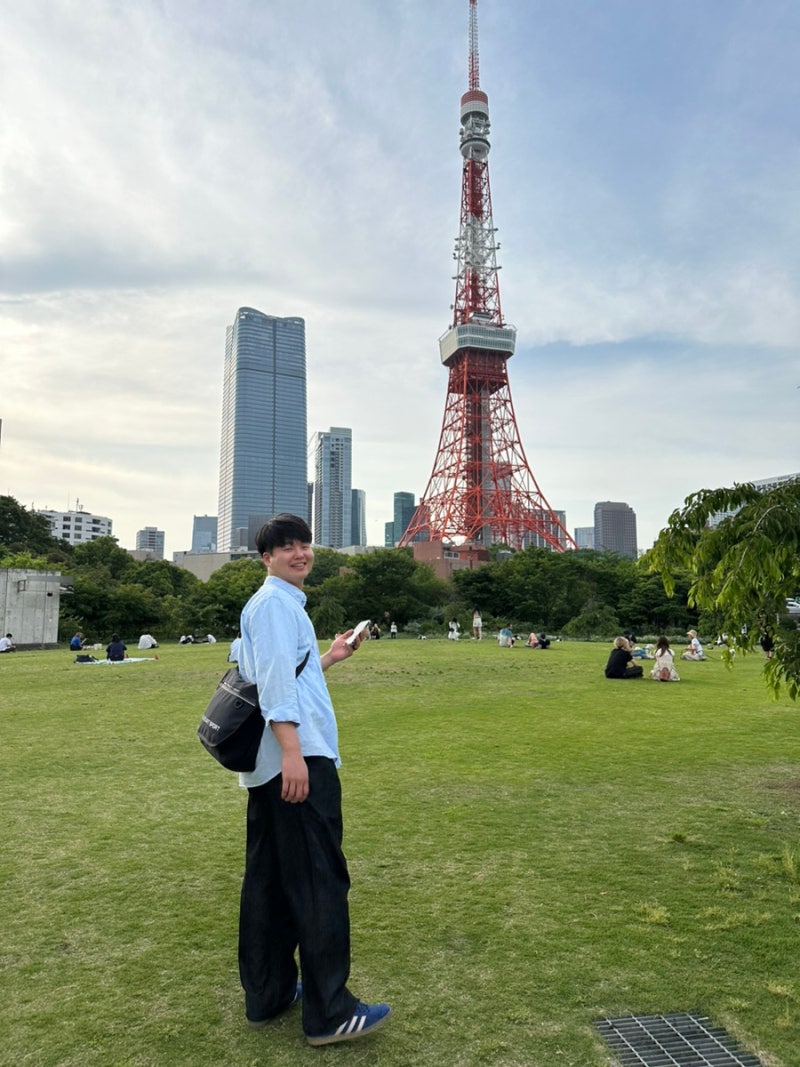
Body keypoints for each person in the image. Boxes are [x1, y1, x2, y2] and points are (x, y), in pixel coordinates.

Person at [236, 513, 390, 1046]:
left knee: (271, 881)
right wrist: (294, 753)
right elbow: (275, 685)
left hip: (271, 766)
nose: (300, 552)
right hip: (297, 762)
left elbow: (286, 675)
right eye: (287, 547)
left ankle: (269, 992)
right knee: (320, 879)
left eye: (305, 543)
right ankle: (330, 1013)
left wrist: (331, 656)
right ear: (267, 558)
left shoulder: (275, 605)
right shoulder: (275, 605)